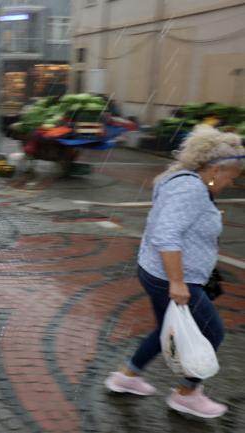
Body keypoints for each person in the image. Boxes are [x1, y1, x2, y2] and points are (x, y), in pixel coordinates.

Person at [104, 124, 244, 418]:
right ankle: (187, 394)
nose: (232, 183)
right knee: (211, 332)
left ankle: (127, 377)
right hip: (171, 278)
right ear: (216, 169)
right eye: (233, 176)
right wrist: (178, 282)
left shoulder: (179, 179)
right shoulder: (190, 188)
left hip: (156, 271)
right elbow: (167, 235)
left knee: (165, 329)